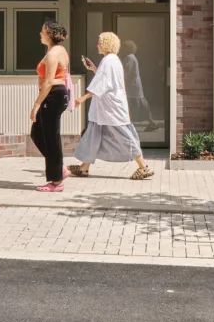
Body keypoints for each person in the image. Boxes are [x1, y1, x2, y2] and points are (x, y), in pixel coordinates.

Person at [67, 32, 153, 181]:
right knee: (93, 136)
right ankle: (84, 168)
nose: (97, 45)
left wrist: (81, 98)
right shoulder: (112, 60)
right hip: (105, 110)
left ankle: (143, 166)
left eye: (99, 42)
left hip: (111, 110)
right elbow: (106, 79)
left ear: (106, 44)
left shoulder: (109, 60)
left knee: (124, 136)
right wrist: (94, 68)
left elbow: (103, 83)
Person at [29, 19, 72, 192]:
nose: (40, 34)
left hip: (53, 96)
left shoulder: (54, 53)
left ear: (50, 34)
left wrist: (36, 105)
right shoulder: (57, 50)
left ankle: (56, 181)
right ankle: (59, 168)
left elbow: (48, 82)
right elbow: (58, 77)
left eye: (42, 31)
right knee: (37, 133)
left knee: (51, 138)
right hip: (55, 94)